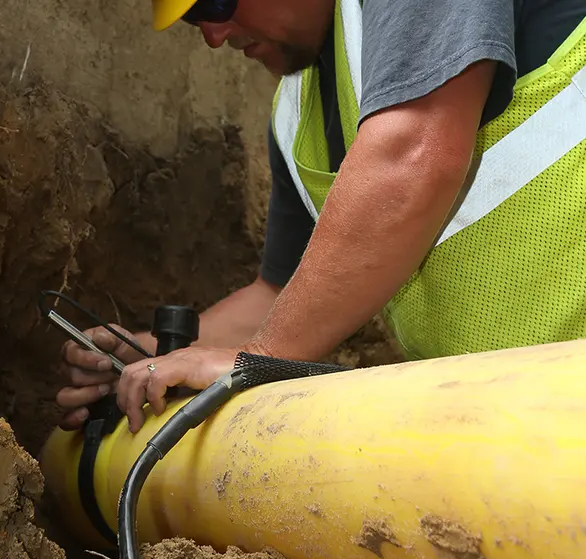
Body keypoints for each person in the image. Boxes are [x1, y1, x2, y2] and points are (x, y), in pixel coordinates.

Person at [56, 0, 586, 434]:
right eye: (196, 20)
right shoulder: (297, 118)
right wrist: (149, 354)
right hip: (519, 420)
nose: (214, 36)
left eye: (215, 3)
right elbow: (278, 295)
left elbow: (414, 153)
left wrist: (259, 357)